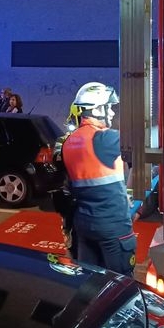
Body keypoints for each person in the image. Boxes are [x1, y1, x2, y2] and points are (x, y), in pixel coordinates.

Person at [60, 82, 137, 276]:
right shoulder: (106, 139)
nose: (112, 113)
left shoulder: (68, 142)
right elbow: (143, 144)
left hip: (84, 224)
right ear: (96, 109)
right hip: (112, 226)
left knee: (89, 282)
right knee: (120, 284)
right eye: (109, 108)